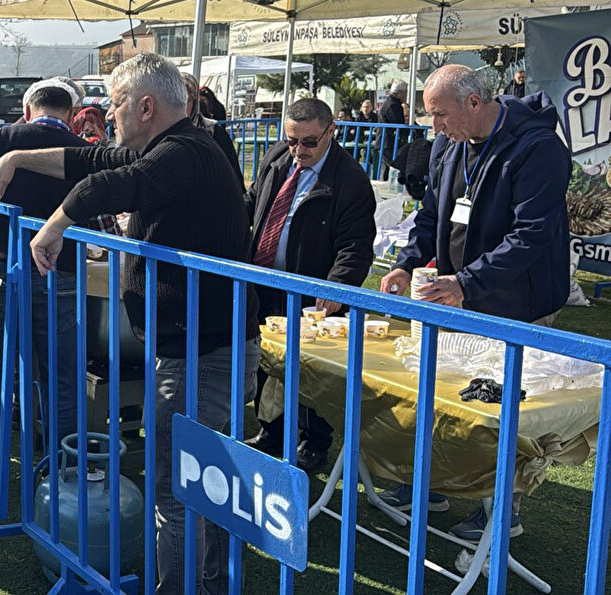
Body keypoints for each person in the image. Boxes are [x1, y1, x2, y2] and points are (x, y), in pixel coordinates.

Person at [0, 52, 260, 595]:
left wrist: (52, 228)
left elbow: (108, 185)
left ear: (146, 106)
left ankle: (189, 587)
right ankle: (208, 583)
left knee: (180, 488)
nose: (108, 114)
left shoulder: (184, 151)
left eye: (116, 103)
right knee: (202, 481)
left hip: (203, 349)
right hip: (191, 342)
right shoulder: (174, 147)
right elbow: (93, 161)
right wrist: (20, 159)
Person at [378, 64, 569, 540]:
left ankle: (503, 511)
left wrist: (467, 282)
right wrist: (407, 262)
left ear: (475, 104)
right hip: (461, 293)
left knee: (505, 411)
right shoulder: (449, 144)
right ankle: (437, 485)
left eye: (440, 115)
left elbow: (532, 236)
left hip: (517, 301)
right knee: (447, 398)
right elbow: (429, 215)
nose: (433, 127)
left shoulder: (539, 149)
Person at [0, 79, 119, 489]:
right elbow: (106, 227)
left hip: (0, 271)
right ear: (69, 114)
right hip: (60, 275)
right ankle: (63, 474)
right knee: (62, 379)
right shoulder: (85, 151)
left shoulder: (2, 140)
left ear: (27, 110)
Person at [242, 98, 376, 472]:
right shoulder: (276, 160)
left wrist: (336, 288)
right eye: (291, 141)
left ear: (331, 132)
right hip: (264, 282)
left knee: (313, 374)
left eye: (308, 142)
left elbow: (355, 245)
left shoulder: (349, 179)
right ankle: (271, 430)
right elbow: (253, 204)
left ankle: (314, 442)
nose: (298, 150)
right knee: (267, 365)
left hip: (313, 293)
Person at [180, 72, 244, 192]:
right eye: (175, 101)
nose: (180, 107)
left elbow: (234, 180)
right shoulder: (157, 134)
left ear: (194, 102)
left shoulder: (214, 133)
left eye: (185, 100)